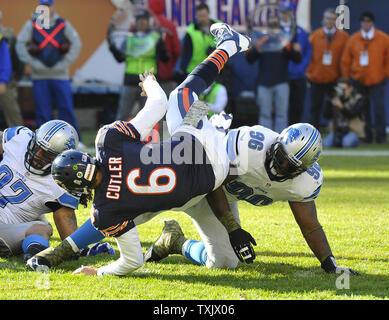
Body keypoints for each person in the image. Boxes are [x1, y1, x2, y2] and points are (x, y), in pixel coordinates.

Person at [27, 23, 256, 276]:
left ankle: (214, 119)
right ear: (85, 157)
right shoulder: (108, 140)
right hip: (198, 148)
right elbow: (158, 105)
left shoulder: (106, 211)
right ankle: (230, 46)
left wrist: (99, 272)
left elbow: (132, 261)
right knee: (183, 93)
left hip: (206, 181)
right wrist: (149, 83)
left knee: (145, 208)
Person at [145, 121, 359, 275]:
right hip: (195, 180)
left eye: (289, 167)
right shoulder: (250, 147)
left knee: (226, 261)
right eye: (281, 157)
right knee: (141, 204)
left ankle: (175, 242)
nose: (280, 167)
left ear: (302, 170)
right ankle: (111, 237)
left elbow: (310, 225)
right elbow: (214, 180)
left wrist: (328, 262)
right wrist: (233, 228)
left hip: (220, 201)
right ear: (278, 142)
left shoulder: (304, 183)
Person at [0, 120, 114, 261]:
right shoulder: (60, 181)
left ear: (60, 158)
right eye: (37, 147)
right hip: (5, 226)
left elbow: (65, 219)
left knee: (41, 221)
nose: (38, 155)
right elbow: (70, 238)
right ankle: (34, 255)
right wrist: (80, 250)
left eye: (47, 154)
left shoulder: (19, 137)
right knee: (43, 229)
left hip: (6, 225)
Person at [15, 0, 84, 147]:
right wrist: (34, 64)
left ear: (53, 7)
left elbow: (76, 43)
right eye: (43, 6)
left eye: (48, 6)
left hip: (61, 75)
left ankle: (75, 140)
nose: (46, 9)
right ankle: (43, 142)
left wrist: (64, 63)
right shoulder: (32, 24)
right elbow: (20, 44)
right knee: (42, 110)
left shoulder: (62, 24)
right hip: (39, 76)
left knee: (66, 108)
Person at [108, 9, 169, 121]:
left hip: (148, 83)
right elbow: (119, 58)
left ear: (148, 22)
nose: (141, 22)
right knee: (122, 115)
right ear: (135, 22)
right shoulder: (129, 39)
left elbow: (166, 58)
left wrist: (162, 44)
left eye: (144, 20)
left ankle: (148, 139)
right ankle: (118, 137)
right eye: (139, 20)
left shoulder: (155, 38)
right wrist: (112, 47)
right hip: (130, 81)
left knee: (148, 117)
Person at [245, 13, 302, 133]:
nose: (273, 27)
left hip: (281, 81)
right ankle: (265, 139)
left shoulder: (285, 40)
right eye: (271, 24)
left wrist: (293, 48)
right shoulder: (262, 40)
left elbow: (297, 59)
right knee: (265, 114)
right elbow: (250, 59)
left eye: (275, 24)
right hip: (264, 82)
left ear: (279, 26)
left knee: (281, 114)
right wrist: (253, 48)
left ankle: (280, 140)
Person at [341, 11, 389, 144]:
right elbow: (346, 60)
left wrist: (384, 74)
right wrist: (347, 79)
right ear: (361, 23)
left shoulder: (383, 38)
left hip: (377, 80)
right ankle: (366, 136)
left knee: (379, 109)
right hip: (359, 81)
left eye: (368, 21)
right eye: (363, 21)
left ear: (372, 23)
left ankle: (381, 137)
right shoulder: (354, 39)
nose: (366, 24)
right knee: (362, 111)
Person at [306, 8, 349, 131]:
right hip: (317, 78)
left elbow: (346, 58)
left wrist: (344, 78)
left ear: (336, 21)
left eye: (332, 19)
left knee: (335, 108)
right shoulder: (315, 36)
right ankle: (313, 135)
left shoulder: (343, 37)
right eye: (327, 18)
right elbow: (307, 56)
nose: (330, 21)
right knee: (315, 108)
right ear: (323, 20)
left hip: (335, 79)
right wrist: (310, 73)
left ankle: (335, 134)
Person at [280, 4, 312, 125]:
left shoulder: (300, 32)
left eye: (288, 12)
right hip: (282, 77)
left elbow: (308, 52)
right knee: (281, 108)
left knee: (297, 107)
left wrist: (301, 68)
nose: (286, 15)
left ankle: (295, 136)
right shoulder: (276, 32)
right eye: (283, 12)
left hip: (298, 77)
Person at [148, 0, 181, 96]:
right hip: (165, 73)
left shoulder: (142, 24)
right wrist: (170, 64)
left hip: (146, 74)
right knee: (166, 106)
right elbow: (177, 50)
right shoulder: (169, 25)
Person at [177, 2, 217, 79]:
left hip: (214, 69)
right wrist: (182, 70)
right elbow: (185, 54)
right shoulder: (191, 31)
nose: (202, 19)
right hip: (195, 71)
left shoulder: (218, 27)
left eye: (204, 16)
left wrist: (214, 51)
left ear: (208, 13)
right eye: (200, 16)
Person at [323, 79, 367, 148]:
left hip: (353, 132)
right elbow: (326, 115)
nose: (340, 91)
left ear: (350, 89)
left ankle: (346, 142)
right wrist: (329, 103)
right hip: (337, 132)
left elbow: (352, 114)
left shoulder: (358, 99)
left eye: (343, 89)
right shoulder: (335, 98)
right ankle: (338, 142)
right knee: (326, 144)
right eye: (338, 89)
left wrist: (341, 107)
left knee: (347, 143)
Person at [0, 11, 24, 128]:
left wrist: (4, 80)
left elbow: (9, 61)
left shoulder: (5, 38)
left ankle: (20, 138)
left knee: (12, 112)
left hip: (5, 82)